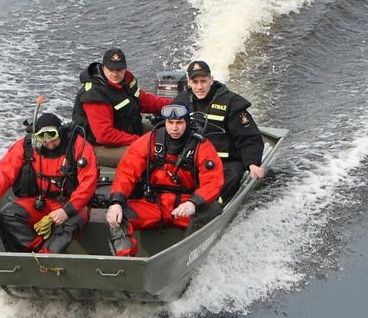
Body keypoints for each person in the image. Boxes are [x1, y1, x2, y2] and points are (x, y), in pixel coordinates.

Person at [104, 102, 224, 256]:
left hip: (185, 207)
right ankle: (126, 261)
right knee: (118, 216)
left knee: (213, 210)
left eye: (179, 123)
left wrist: (193, 203)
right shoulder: (150, 140)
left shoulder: (202, 146)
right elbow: (126, 172)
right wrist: (116, 202)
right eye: (170, 122)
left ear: (187, 123)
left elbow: (213, 181)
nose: (174, 128)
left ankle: (187, 256)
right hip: (154, 204)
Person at [0, 112, 98, 254]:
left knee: (68, 226)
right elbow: (5, 171)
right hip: (40, 202)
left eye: (53, 138)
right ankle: (37, 249)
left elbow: (88, 183)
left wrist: (66, 211)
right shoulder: (25, 146)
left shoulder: (79, 146)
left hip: (73, 204)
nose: (50, 145)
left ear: (60, 132)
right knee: (7, 214)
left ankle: (47, 254)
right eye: (43, 140)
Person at [174, 59, 265, 202]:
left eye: (203, 81)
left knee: (233, 176)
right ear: (188, 82)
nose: (199, 86)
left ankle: (214, 205)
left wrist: (252, 163)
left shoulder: (232, 103)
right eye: (195, 82)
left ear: (211, 79)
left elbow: (249, 137)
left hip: (225, 163)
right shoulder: (181, 101)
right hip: (193, 160)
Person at [71, 47, 174, 163]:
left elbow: (144, 101)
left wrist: (174, 105)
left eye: (119, 69)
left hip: (127, 129)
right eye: (111, 69)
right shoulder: (94, 95)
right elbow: (104, 135)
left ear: (125, 68)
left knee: (171, 133)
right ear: (103, 67)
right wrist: (139, 140)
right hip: (96, 146)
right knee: (145, 154)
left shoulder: (127, 80)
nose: (115, 74)